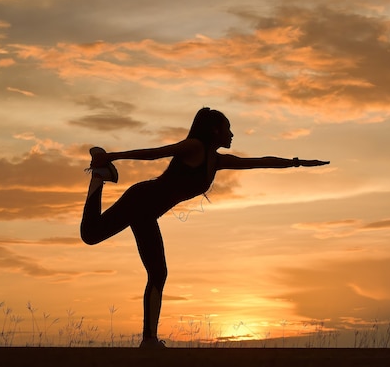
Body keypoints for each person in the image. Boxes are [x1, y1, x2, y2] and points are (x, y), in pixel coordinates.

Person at [80, 107, 329, 348]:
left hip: (147, 213)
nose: (231, 134)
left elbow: (257, 162)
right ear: (214, 131)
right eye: (227, 129)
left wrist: (297, 163)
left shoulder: (216, 160)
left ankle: (149, 341)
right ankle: (100, 174)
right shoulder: (194, 147)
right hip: (140, 201)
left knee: (154, 270)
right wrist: (112, 156)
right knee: (93, 237)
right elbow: (157, 152)